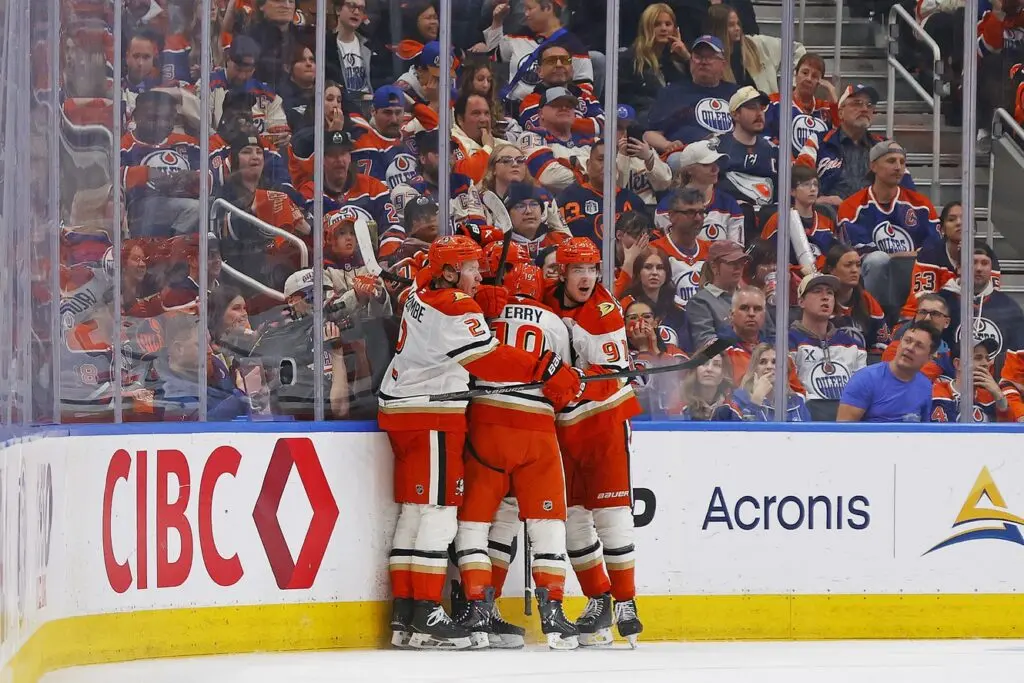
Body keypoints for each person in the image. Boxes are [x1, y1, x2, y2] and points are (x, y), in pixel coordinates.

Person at [378, 235, 581, 650]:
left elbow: (431, 286)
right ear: (449, 273)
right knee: (439, 514)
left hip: (404, 407)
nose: (479, 274)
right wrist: (546, 366)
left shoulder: (422, 289)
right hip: (430, 412)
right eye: (470, 268)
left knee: (415, 512)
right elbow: (490, 359)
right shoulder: (455, 308)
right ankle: (427, 617)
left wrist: (475, 298)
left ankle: (406, 615)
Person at [455, 262, 580, 650]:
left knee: (474, 522)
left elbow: (468, 370)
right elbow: (563, 392)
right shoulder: (556, 324)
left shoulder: (483, 315)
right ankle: (555, 616)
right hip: (536, 431)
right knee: (548, 524)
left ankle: (478, 609)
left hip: (486, 424)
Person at [542, 237, 644, 647]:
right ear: (562, 273)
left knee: (612, 512)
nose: (587, 278)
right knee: (573, 518)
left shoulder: (602, 313)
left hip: (602, 420)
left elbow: (609, 375)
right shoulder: (546, 299)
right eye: (578, 270)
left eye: (592, 269)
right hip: (563, 427)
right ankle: (598, 600)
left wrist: (572, 383)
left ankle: (626, 602)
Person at [837, 140, 940, 299]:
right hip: (872, 278)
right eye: (891, 161)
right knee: (877, 260)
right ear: (873, 166)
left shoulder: (922, 205)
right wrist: (902, 256)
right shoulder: (852, 206)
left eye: (902, 162)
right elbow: (858, 251)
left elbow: (935, 243)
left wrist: (906, 257)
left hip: (912, 273)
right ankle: (870, 314)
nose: (898, 167)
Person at [797, 84, 917, 207]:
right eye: (857, 103)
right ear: (840, 113)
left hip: (874, 220)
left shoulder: (885, 147)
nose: (865, 109)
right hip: (829, 219)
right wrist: (817, 200)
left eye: (869, 105)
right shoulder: (818, 141)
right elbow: (796, 183)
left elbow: (910, 193)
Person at [121, 90, 202, 237]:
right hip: (141, 208)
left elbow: (210, 175)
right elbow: (112, 177)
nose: (161, 124)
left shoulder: (188, 143)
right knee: (196, 208)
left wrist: (192, 177)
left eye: (167, 118)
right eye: (153, 118)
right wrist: (151, 175)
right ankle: (175, 248)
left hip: (184, 201)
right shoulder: (124, 146)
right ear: (136, 116)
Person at [938, 243, 1024, 377]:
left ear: (991, 269)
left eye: (984, 263)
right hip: (950, 381)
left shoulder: (1009, 307)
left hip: (996, 384)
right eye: (973, 262)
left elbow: (1018, 354)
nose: (978, 268)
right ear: (959, 268)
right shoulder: (941, 302)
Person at [789, 273, 868, 421]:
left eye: (830, 293)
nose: (825, 297)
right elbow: (790, 392)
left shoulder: (852, 344)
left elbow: (862, 392)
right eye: (817, 291)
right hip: (806, 425)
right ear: (801, 302)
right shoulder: (788, 342)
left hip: (847, 424)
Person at [484, 0, 595, 103]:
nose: (526, 14)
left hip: (549, 113)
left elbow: (585, 90)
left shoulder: (574, 46)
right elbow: (493, 57)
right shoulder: (517, 36)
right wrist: (497, 21)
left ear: (547, 8)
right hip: (514, 110)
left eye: (529, 9)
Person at [645, 35, 739, 152]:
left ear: (723, 64)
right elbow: (650, 134)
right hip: (687, 156)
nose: (703, 62)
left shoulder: (737, 94)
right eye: (698, 57)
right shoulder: (672, 93)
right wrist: (667, 145)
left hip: (732, 155)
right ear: (691, 62)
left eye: (710, 57)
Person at [837, 321, 938, 422]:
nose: (910, 348)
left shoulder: (925, 386)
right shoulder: (865, 379)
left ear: (929, 357)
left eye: (919, 346)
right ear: (899, 343)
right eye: (907, 341)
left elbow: (924, 432)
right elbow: (843, 432)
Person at [555, 141, 647, 246]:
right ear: (588, 164)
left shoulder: (633, 201)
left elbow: (649, 238)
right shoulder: (569, 197)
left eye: (611, 160)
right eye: (601, 159)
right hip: (582, 260)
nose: (606, 165)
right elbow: (559, 238)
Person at [655, 139, 744, 244]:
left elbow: (736, 250)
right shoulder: (667, 206)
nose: (715, 169)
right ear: (689, 170)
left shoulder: (729, 203)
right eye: (706, 164)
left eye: (716, 163)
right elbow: (673, 249)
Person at [704, 4, 806, 94]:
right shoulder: (710, 59)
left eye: (738, 23)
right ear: (719, 28)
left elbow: (797, 49)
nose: (737, 28)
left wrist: (792, 86)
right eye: (731, 25)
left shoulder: (756, 44)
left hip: (766, 111)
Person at [619, 3, 690, 124]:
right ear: (646, 28)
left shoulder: (677, 60)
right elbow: (624, 98)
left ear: (675, 29)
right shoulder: (630, 58)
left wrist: (687, 57)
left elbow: (698, 88)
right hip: (644, 119)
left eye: (668, 24)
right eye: (657, 24)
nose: (664, 28)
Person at [760, 165, 837, 275]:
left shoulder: (826, 222)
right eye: (806, 184)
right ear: (792, 191)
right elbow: (765, 258)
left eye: (815, 184)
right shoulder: (779, 220)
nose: (813, 189)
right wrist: (795, 270)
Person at [209, 36, 289, 141]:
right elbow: (201, 130)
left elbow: (279, 129)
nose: (242, 76)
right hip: (220, 151)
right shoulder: (208, 85)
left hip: (258, 153)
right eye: (238, 69)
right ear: (227, 59)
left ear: (255, 68)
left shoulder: (267, 95)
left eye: (248, 71)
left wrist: (282, 138)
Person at [518, 43, 605, 136]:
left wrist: (560, 121)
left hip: (587, 149)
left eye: (564, 60)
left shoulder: (586, 97)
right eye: (551, 61)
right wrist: (587, 125)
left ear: (572, 70)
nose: (559, 65)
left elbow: (605, 126)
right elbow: (541, 128)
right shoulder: (530, 101)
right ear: (540, 71)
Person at [716, 86, 780, 209]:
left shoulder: (773, 150)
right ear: (735, 114)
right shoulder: (717, 147)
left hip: (768, 217)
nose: (759, 113)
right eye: (752, 108)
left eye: (762, 108)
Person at [764, 52, 838, 156]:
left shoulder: (824, 109)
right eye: (805, 72)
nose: (808, 79)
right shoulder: (775, 101)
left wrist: (832, 93)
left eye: (815, 76)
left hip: (817, 169)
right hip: (783, 167)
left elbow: (841, 135)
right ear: (796, 74)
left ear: (820, 82)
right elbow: (764, 136)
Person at [651, 186, 713, 307]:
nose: (698, 218)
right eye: (690, 212)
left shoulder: (711, 250)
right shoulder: (654, 251)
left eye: (701, 212)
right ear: (671, 216)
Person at [824, 244, 891, 355]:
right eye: (848, 265)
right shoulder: (821, 300)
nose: (855, 270)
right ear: (831, 270)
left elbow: (883, 343)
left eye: (858, 265)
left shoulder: (867, 300)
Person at [621, 248, 692, 352]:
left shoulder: (678, 312)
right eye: (648, 267)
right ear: (638, 272)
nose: (654, 273)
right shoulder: (625, 308)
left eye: (660, 268)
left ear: (667, 273)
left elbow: (687, 351)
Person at [352, 85, 420, 191]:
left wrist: (415, 105)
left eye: (398, 112)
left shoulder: (412, 131)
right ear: (373, 111)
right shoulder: (361, 138)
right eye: (387, 112)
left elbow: (438, 126)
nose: (394, 119)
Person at [931, 337, 1012, 422]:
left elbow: (1010, 432)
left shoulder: (991, 398)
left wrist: (999, 395)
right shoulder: (934, 394)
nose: (985, 364)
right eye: (978, 358)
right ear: (958, 364)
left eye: (987, 359)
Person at [725, 343, 811, 421]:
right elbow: (740, 434)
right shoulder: (739, 398)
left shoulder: (797, 401)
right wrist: (756, 400)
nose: (769, 366)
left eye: (775, 362)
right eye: (763, 362)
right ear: (754, 369)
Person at [687, 240, 749, 347]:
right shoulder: (700, 302)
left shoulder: (750, 297)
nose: (738, 268)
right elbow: (706, 344)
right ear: (714, 266)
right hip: (726, 361)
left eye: (741, 262)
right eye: (731, 263)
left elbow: (771, 334)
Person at [881, 293, 955, 382]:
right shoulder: (897, 347)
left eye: (935, 314)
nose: (927, 318)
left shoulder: (950, 357)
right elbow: (900, 381)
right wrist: (936, 366)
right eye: (923, 312)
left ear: (946, 322)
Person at [324, 0, 373, 97]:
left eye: (361, 9)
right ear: (338, 9)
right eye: (351, 6)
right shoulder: (325, 44)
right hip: (342, 105)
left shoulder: (370, 44)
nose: (356, 12)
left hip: (370, 104)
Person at [674, 354, 734, 420]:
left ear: (724, 373)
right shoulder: (679, 405)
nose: (709, 369)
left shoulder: (733, 408)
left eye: (716, 365)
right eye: (704, 363)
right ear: (695, 369)